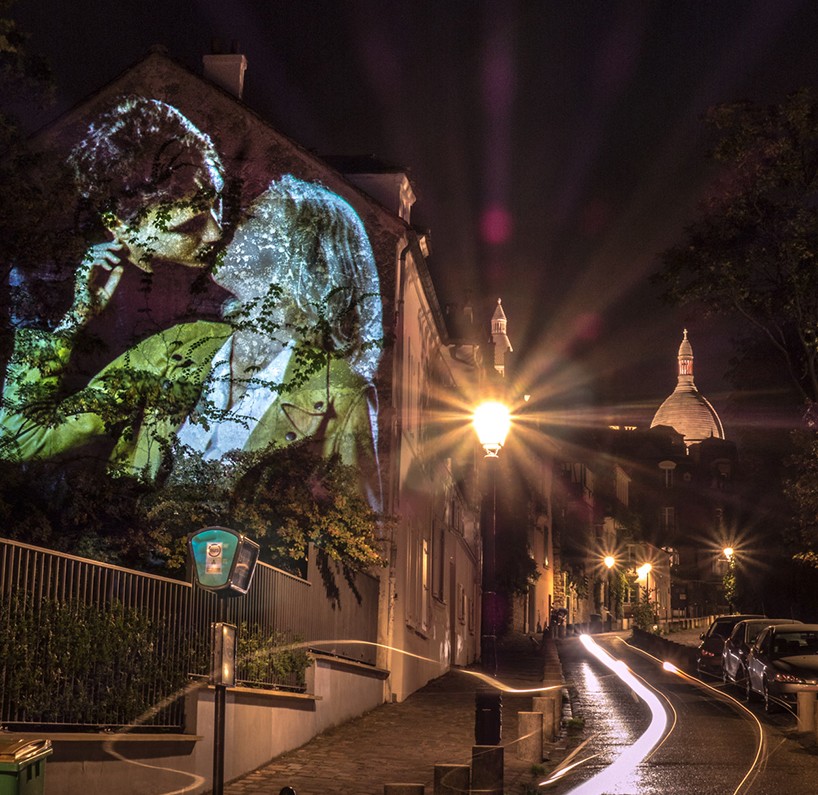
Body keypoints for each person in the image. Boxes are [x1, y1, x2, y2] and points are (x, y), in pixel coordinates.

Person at [0, 96, 232, 477]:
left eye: (217, 203)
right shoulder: (48, 282)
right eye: (189, 225)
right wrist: (75, 319)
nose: (216, 233)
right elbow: (18, 439)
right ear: (119, 225)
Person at [176, 174, 384, 507]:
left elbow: (358, 528)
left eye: (252, 218)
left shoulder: (342, 396)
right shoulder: (181, 350)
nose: (228, 227)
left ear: (303, 258)